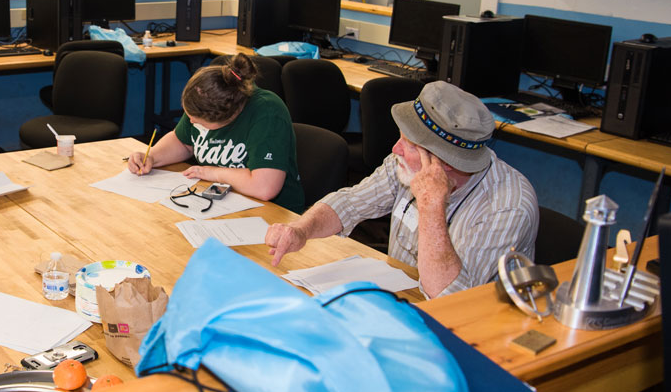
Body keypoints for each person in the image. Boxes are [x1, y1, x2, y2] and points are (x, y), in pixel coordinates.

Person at [265, 81, 538, 298]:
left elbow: (448, 295)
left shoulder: (506, 206)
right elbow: (351, 202)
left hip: (469, 331)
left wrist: (432, 205)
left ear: (443, 163)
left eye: (409, 145)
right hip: (401, 298)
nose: (396, 149)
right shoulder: (407, 164)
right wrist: (301, 230)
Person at [127, 53, 305, 213]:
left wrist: (210, 173)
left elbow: (264, 187)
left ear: (226, 118)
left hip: (274, 214)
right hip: (223, 205)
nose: (191, 122)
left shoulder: (267, 113)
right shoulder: (206, 100)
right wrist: (152, 157)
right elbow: (182, 141)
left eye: (196, 120)